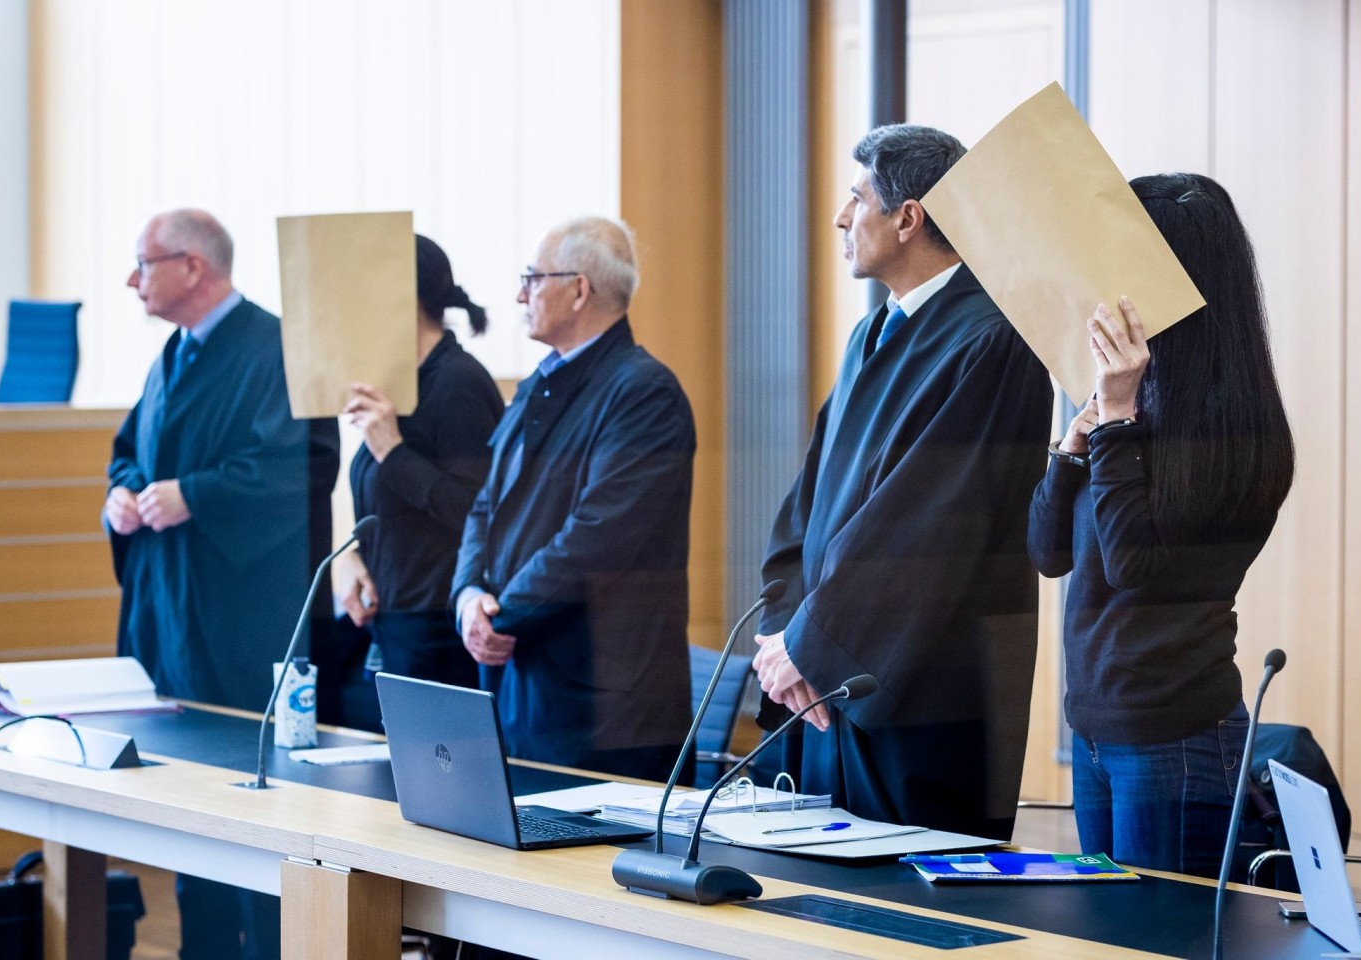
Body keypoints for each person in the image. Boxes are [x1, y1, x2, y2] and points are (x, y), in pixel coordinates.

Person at [752, 125, 1053, 840]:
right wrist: (784, 635)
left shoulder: (993, 339)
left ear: (908, 217)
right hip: (828, 680)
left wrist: (811, 644)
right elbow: (809, 503)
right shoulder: (871, 333)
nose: (840, 218)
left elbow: (927, 521)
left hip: (922, 687)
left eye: (856, 199)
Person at [1027, 173, 1295, 877]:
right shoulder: (1126, 416)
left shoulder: (1233, 435)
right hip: (1092, 727)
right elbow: (1048, 552)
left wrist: (1114, 421)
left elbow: (1132, 565)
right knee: (1105, 941)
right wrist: (1073, 445)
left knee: (1155, 943)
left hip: (1174, 737)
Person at [105, 208, 334, 960]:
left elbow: (296, 467)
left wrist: (194, 494)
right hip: (173, 613)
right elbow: (131, 449)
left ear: (193, 267)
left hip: (244, 622)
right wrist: (125, 492)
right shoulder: (174, 353)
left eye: (144, 263)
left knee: (253, 815)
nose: (132, 279)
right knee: (185, 812)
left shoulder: (275, 347)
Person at [451, 216, 695, 783]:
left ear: (579, 289)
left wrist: (501, 614)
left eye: (532, 278)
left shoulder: (643, 392)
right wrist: (468, 598)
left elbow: (599, 535)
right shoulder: (540, 380)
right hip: (520, 678)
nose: (520, 294)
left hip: (602, 706)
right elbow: (487, 505)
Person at [332, 235, 503, 700]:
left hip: (437, 633)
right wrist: (351, 558)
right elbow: (382, 501)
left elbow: (477, 513)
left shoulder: (458, 384)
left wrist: (393, 451)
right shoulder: (400, 384)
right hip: (391, 623)